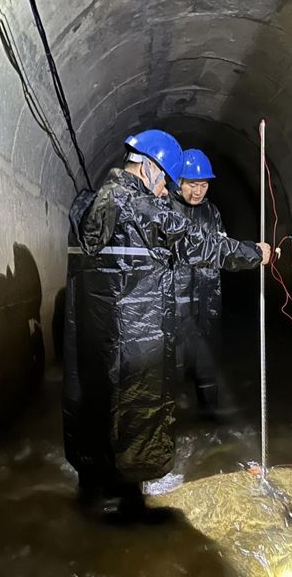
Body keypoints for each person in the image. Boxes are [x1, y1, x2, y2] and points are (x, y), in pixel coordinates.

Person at [62, 129, 270, 520]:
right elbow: (204, 244)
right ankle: (130, 515)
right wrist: (253, 253)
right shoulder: (145, 210)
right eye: (166, 183)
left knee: (96, 413)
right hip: (139, 342)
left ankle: (90, 505)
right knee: (136, 418)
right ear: (150, 168)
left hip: (96, 346)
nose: (165, 193)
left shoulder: (85, 205)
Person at [168, 149, 256, 421]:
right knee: (170, 369)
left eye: (203, 185)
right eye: (192, 185)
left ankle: (209, 424)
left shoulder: (212, 212)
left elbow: (223, 250)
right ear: (177, 181)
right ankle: (170, 426)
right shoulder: (165, 210)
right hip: (173, 305)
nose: (198, 192)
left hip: (207, 301)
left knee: (207, 367)